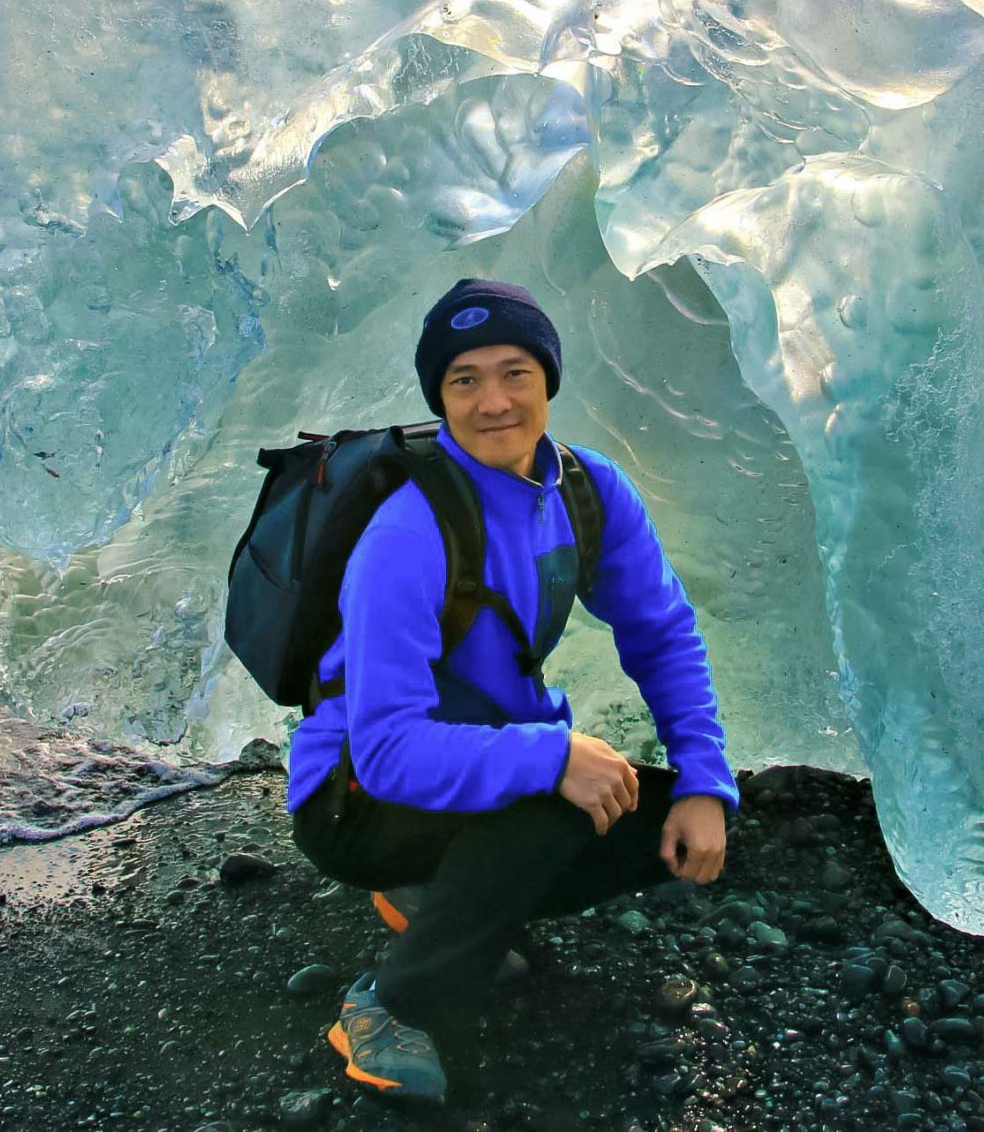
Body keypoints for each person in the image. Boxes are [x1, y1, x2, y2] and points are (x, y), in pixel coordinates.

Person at [287, 277, 739, 1105]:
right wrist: (554, 754)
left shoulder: (587, 490)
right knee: (556, 800)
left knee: (663, 826)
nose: (493, 401)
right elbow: (385, 751)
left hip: (468, 766)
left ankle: (437, 892)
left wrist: (706, 780)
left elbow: (661, 631)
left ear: (547, 382)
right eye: (465, 380)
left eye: (514, 373)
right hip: (351, 799)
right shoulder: (406, 532)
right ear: (440, 396)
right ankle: (391, 1007)